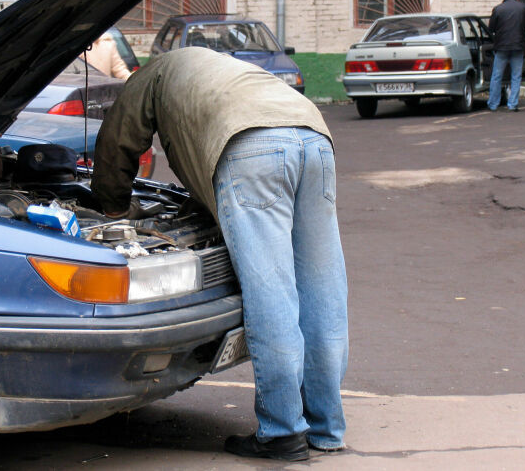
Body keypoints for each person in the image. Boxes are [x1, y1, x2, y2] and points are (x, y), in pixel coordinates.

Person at [91, 47, 348, 461]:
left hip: (251, 144)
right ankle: (326, 426)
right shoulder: (218, 67)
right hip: (312, 136)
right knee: (322, 287)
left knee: (271, 291)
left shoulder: (152, 76)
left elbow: (117, 141)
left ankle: (282, 432)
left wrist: (112, 206)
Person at [487, 0, 525, 112]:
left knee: (497, 75)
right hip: (518, 46)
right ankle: (513, 104)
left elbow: (491, 29)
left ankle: (493, 104)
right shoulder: (524, 8)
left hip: (502, 47)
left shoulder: (498, 9)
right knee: (516, 76)